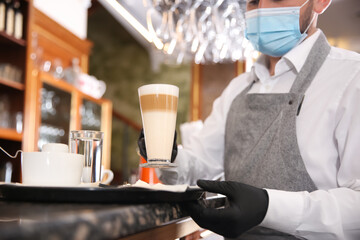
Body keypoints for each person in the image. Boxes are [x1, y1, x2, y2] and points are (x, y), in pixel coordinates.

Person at [138, 0, 360, 239]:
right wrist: (170, 158)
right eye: (253, 1)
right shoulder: (237, 88)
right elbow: (198, 169)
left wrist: (268, 207)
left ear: (321, 2)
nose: (262, 9)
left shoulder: (351, 78)